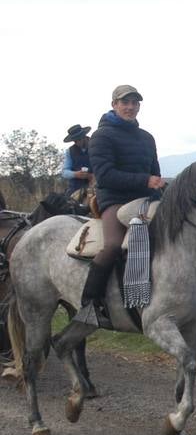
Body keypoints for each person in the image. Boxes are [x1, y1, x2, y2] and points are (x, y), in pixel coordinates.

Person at [75, 85, 165, 327]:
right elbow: (104, 176)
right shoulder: (101, 137)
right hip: (114, 199)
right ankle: (89, 304)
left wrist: (158, 186)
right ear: (114, 104)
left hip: (145, 200)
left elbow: (154, 171)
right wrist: (145, 180)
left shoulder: (147, 138)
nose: (130, 107)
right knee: (114, 245)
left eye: (135, 103)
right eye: (125, 102)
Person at [61, 124, 94, 198]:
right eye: (74, 141)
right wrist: (76, 174)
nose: (77, 143)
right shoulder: (69, 151)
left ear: (84, 136)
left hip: (96, 185)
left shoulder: (97, 145)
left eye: (78, 139)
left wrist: (92, 176)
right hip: (76, 189)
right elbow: (64, 172)